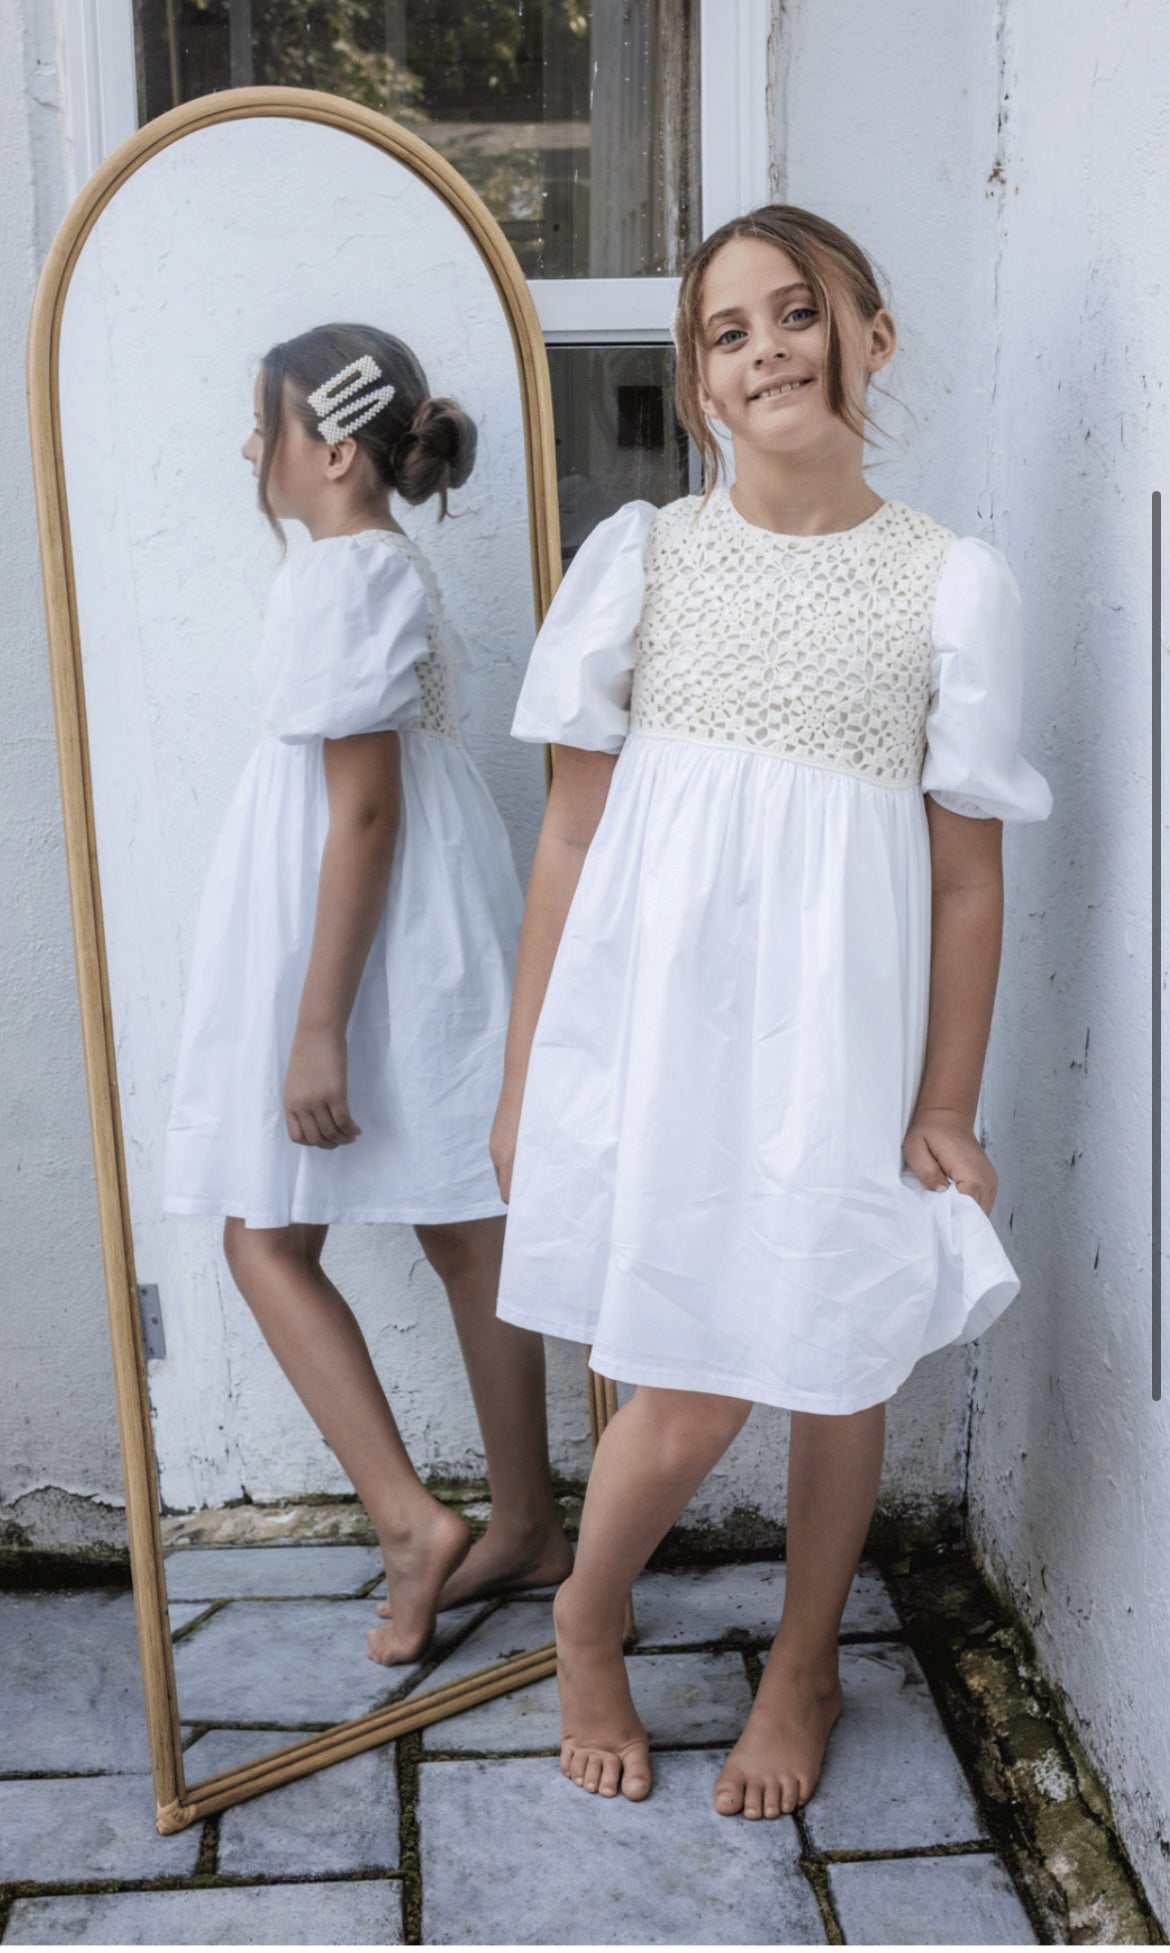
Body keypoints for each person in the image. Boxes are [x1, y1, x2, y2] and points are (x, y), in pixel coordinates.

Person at [489, 208, 1053, 1813]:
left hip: (844, 1044)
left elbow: (963, 881)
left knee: (834, 1359)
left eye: (795, 313)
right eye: (725, 334)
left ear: (871, 334)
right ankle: (587, 1619)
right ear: (698, 387)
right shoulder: (645, 559)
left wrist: (944, 1099)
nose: (765, 350)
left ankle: (804, 1659)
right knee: (688, 1381)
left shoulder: (948, 585)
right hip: (665, 1040)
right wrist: (529, 1071)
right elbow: (572, 835)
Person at [163, 322, 574, 1665]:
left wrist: (317, 1021)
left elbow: (358, 813)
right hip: (424, 913)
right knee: (466, 1224)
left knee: (264, 1234)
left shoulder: (340, 575)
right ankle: (522, 1517)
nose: (248, 450)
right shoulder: (377, 562)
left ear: (331, 448)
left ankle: (416, 1523)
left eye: (263, 425)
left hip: (362, 920)